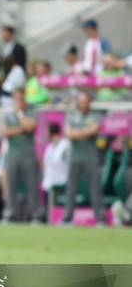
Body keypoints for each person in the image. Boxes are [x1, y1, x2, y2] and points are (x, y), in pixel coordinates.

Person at [62, 92, 105, 226]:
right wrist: (83, 132)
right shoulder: (71, 115)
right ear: (77, 102)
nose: (83, 104)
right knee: (71, 188)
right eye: (81, 101)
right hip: (75, 156)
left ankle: (100, 219)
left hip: (91, 157)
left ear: (89, 102)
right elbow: (68, 133)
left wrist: (77, 132)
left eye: (85, 101)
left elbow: (93, 130)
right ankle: (67, 218)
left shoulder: (95, 115)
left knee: (95, 188)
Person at [0, 89, 41, 223]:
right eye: (15, 99)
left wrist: (20, 115)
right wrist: (20, 129)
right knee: (10, 184)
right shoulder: (8, 115)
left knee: (31, 185)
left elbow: (30, 127)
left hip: (28, 154)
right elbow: (4, 132)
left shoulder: (30, 112)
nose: (18, 102)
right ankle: (10, 213)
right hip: (13, 153)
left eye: (20, 99)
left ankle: (34, 214)